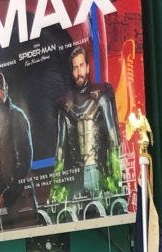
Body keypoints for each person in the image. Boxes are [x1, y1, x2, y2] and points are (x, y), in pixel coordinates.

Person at [50, 44, 122, 204]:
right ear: (71, 71)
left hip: (98, 169)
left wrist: (116, 177)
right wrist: (56, 185)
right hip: (75, 175)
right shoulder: (65, 104)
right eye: (75, 67)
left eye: (81, 65)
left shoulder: (102, 94)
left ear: (88, 68)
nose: (78, 71)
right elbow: (60, 147)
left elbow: (113, 137)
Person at [0, 71, 38, 230]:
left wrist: (7, 195)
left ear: (6, 89)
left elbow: (24, 163)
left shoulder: (17, 116)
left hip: (21, 201)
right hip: (4, 206)